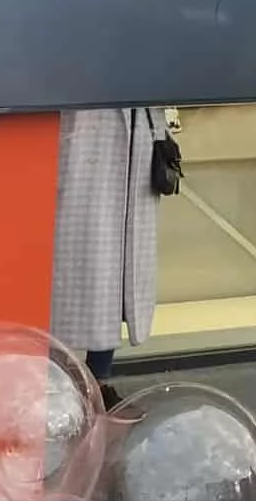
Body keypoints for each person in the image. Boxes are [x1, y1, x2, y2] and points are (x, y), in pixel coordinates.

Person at [52, 107, 161, 409]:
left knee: (117, 277)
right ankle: (58, 381)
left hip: (136, 141)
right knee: (81, 272)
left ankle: (98, 380)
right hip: (85, 142)